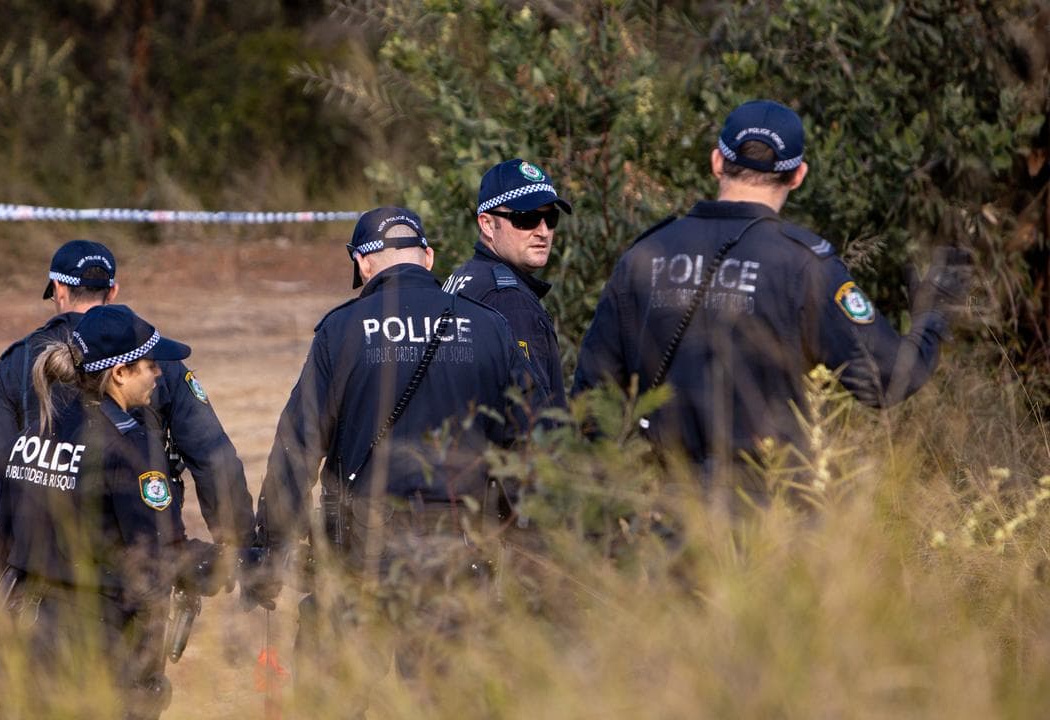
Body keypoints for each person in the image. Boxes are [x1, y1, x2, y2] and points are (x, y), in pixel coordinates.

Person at [573, 99, 971, 504]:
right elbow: (887, 380)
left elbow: (591, 400)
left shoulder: (646, 254)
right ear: (798, 176)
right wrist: (932, 315)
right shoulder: (804, 265)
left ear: (716, 162)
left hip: (656, 509)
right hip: (765, 515)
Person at [245, 207, 545, 713]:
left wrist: (268, 552)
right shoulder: (491, 328)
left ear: (363, 265)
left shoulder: (340, 332)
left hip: (358, 564)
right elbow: (530, 447)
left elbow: (296, 451)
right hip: (459, 560)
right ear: (428, 257)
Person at [0, 239, 255, 695]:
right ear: (112, 291)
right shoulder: (147, 362)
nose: (153, 374)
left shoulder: (20, 363)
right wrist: (243, 556)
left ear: (59, 290)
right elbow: (216, 461)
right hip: (120, 604)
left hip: (29, 595)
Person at [0, 304, 212, 719]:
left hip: (24, 639)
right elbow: (161, 555)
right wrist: (235, 563)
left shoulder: (33, 431)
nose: (159, 374)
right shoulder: (129, 447)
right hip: (93, 652)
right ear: (120, 373)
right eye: (150, 365)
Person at [442, 158, 573, 407]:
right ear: (488, 224)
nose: (543, 231)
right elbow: (531, 414)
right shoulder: (509, 299)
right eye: (526, 219)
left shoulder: (462, 278)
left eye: (551, 218)